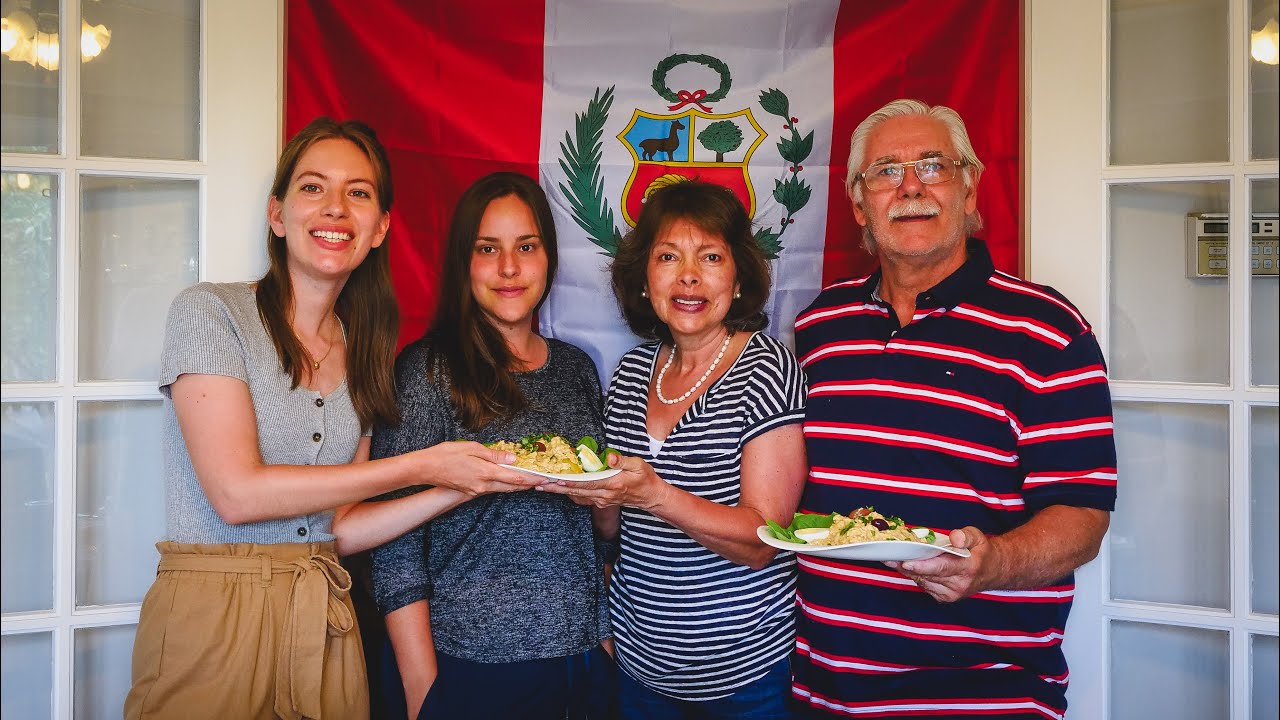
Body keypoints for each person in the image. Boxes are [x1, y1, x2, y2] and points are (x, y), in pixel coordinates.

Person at [124, 118, 537, 720]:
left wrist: (456, 485)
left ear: (380, 229)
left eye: (359, 193)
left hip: (326, 617)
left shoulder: (365, 348)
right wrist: (421, 464)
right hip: (213, 610)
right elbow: (236, 494)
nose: (336, 209)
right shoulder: (211, 312)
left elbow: (340, 529)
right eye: (313, 188)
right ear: (277, 213)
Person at [789, 99, 1118, 719]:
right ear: (858, 204)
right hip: (823, 692)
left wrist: (991, 563)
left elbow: (1082, 516)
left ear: (970, 191)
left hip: (984, 698)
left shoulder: (1046, 330)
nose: (910, 186)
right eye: (885, 171)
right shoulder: (819, 327)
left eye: (933, 166)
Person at [540, 180, 809, 719]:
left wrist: (656, 494)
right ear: (645, 281)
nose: (689, 276)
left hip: (746, 673)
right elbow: (615, 532)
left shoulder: (768, 367)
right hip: (639, 666)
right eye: (668, 256)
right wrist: (596, 495)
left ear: (737, 280)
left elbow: (764, 541)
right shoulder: (632, 373)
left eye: (710, 256)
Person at [368, 171, 616, 720]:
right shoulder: (427, 370)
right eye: (488, 249)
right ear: (464, 263)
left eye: (526, 247)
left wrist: (599, 637)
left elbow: (595, 531)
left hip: (581, 661)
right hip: (468, 667)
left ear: (548, 258)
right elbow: (395, 548)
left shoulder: (575, 368)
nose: (509, 268)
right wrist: (421, 688)